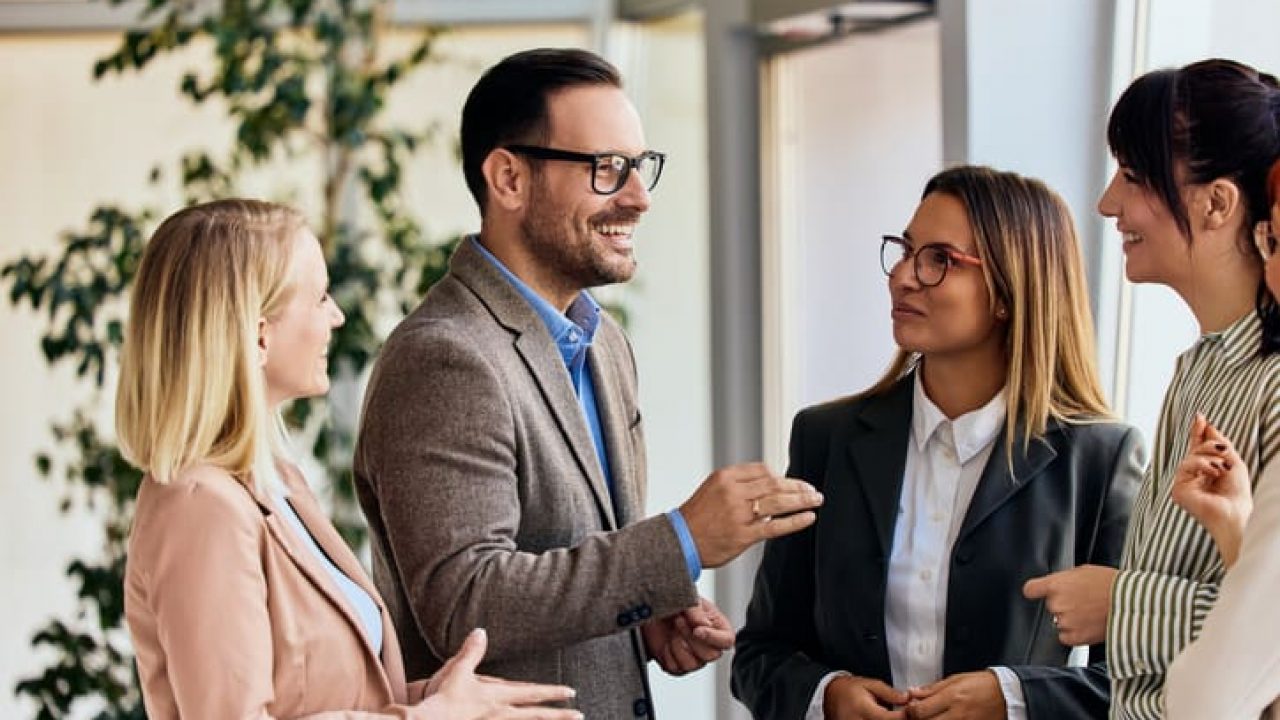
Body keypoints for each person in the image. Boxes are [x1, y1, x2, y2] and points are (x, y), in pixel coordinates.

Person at [351, 47, 825, 719]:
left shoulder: (602, 342)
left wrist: (644, 611)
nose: (639, 197)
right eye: (607, 170)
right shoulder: (444, 358)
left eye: (639, 166)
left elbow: (574, 553)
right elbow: (465, 601)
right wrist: (680, 541)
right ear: (508, 178)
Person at [117, 199, 580, 719]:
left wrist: (437, 699)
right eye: (319, 298)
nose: (336, 316)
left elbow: (329, 699)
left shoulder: (273, 485)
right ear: (259, 333)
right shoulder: (200, 508)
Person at [731, 165, 1145, 720]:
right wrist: (826, 695)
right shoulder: (825, 438)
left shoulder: (1100, 458)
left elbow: (1138, 680)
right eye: (905, 250)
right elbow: (758, 654)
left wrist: (1014, 700)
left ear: (1008, 291)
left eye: (939, 260)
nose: (903, 275)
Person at [1021, 58, 1280, 720]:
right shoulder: (1197, 368)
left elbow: (1266, 626)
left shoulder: (1272, 383)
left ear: (1217, 202)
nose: (1108, 203)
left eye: (1133, 177)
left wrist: (1123, 604)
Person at [1161, 160, 1280, 720]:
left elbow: (1210, 696)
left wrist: (1117, 601)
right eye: (1270, 241)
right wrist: (1238, 530)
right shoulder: (1192, 368)